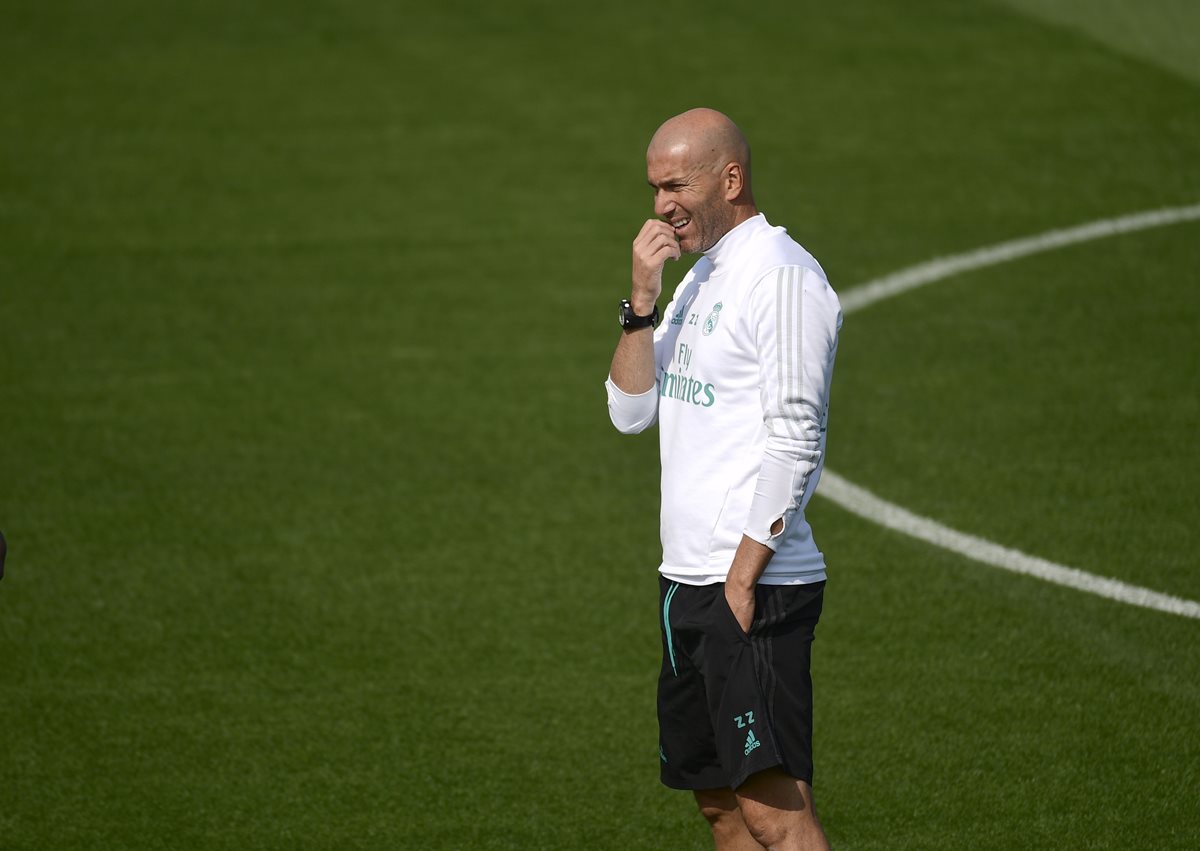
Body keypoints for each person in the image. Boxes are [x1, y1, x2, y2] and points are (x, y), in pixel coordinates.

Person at [605, 108, 842, 851]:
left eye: (675, 183)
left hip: (754, 586)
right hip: (686, 582)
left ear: (730, 178)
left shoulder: (781, 277)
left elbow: (797, 436)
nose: (661, 204)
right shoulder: (699, 277)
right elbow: (629, 412)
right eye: (653, 188)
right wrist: (640, 303)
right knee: (720, 807)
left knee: (777, 812)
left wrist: (742, 579)